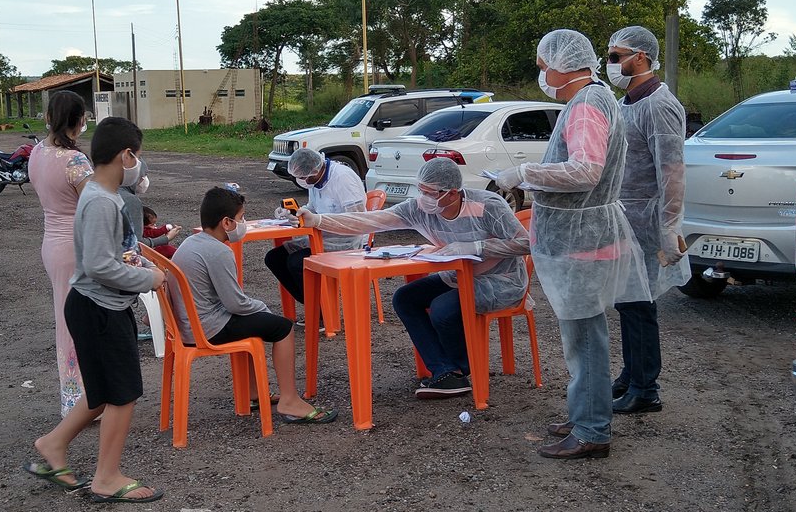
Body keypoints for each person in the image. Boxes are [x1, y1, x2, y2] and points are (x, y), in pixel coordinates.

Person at [495, 29, 650, 459]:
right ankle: (586, 412)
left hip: (582, 240)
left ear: (562, 65)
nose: (541, 74)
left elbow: (584, 170)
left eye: (543, 66)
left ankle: (592, 430)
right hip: (587, 234)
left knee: (584, 339)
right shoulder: (596, 98)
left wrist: (524, 173)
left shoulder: (585, 106)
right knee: (584, 336)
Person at [296, 158, 529, 399]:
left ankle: (461, 369)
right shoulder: (420, 209)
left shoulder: (488, 205)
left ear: (452, 193)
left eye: (430, 193)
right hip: (457, 276)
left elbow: (526, 243)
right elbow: (371, 220)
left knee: (442, 309)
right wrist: (319, 220)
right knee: (405, 298)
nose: (423, 198)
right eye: (421, 190)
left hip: (501, 280)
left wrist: (479, 247)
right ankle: (445, 370)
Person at [24, 117, 166, 503]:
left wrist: (143, 264)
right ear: (126, 155)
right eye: (137, 157)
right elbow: (101, 266)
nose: (138, 165)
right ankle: (107, 478)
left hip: (94, 306)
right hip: (99, 308)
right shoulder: (102, 200)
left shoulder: (102, 194)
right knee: (123, 393)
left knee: (102, 392)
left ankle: (53, 445)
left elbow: (113, 254)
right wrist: (148, 279)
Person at [171, 186, 337, 424]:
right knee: (283, 327)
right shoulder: (218, 251)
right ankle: (289, 399)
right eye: (241, 218)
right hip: (208, 328)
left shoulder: (191, 242)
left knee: (254, 322)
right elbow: (235, 304)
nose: (243, 224)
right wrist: (262, 307)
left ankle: (252, 393)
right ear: (226, 222)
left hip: (190, 325)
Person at [605, 26, 691, 414]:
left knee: (640, 303)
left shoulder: (659, 104)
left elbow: (671, 170)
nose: (611, 64)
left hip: (646, 217)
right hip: (625, 216)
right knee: (626, 301)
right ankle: (631, 374)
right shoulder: (627, 103)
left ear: (640, 57)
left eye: (615, 56)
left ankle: (645, 388)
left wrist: (669, 226)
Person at [28, 90, 94, 417]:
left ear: (49, 117)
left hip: (51, 244)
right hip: (75, 247)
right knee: (82, 322)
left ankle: (75, 397)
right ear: (79, 121)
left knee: (65, 320)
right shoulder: (75, 161)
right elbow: (94, 206)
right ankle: (83, 400)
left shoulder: (37, 152)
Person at [264, 148, 366, 321]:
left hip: (347, 241)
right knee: (274, 258)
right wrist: (294, 212)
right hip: (322, 237)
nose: (304, 181)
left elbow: (357, 220)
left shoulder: (343, 178)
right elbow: (313, 207)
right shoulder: (315, 181)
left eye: (305, 178)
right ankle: (314, 306)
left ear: (317, 169)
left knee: (297, 263)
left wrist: (319, 220)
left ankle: (323, 313)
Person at [118, 161, 182, 260]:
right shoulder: (130, 200)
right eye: (144, 174)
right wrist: (167, 238)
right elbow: (137, 244)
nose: (144, 179)